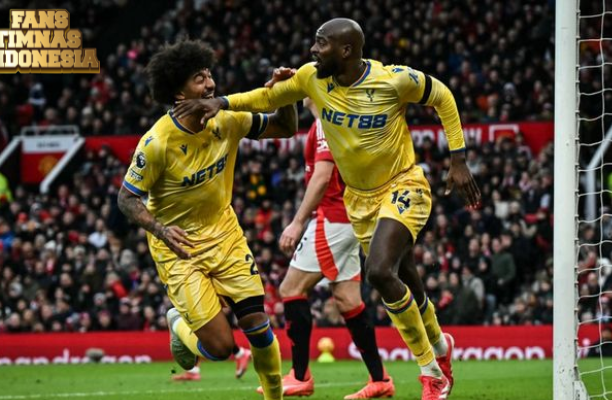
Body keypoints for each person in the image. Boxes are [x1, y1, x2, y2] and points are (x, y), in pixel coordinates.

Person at [174, 18, 480, 400]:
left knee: (379, 272)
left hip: (403, 185)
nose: (313, 50)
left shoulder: (393, 80)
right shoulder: (311, 79)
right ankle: (439, 344)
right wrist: (220, 102)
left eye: (321, 44)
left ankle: (430, 372)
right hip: (359, 201)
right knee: (406, 278)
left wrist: (458, 159)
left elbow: (443, 96)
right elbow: (267, 99)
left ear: (346, 50)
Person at [118, 39, 298, 400]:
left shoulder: (226, 119)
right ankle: (177, 323)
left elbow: (285, 127)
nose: (211, 84)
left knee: (259, 328)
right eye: (199, 78)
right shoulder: (157, 143)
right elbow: (126, 198)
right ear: (178, 92)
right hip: (179, 249)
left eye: (209, 74)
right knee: (220, 348)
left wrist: (285, 94)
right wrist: (159, 229)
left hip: (225, 235)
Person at [259, 98, 394, 399]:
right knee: (347, 300)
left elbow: (322, 176)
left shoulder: (324, 123)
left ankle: (299, 376)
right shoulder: (339, 120)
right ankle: (380, 379)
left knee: (291, 289)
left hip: (332, 218)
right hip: (348, 218)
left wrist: (297, 222)